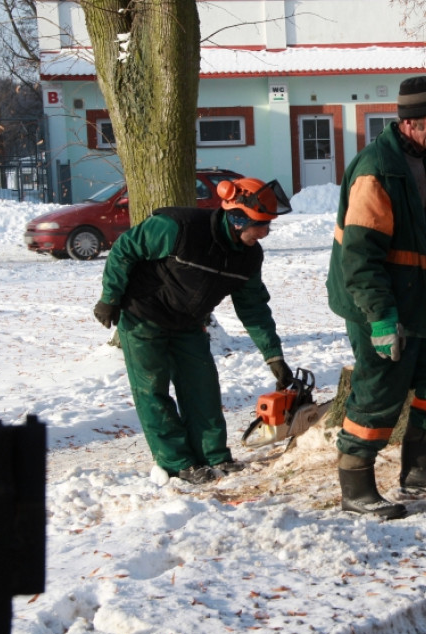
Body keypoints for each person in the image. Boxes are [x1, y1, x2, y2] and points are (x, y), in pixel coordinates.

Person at [326, 76, 426, 519]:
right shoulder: (376, 170)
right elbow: (359, 256)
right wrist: (381, 318)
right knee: (378, 392)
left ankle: (420, 471)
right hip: (380, 302)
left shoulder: (424, 160)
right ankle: (355, 488)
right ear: (410, 122)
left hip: (417, 296)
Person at [93, 177, 295, 484]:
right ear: (238, 218)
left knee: (203, 389)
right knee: (153, 391)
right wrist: (110, 298)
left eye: (268, 225)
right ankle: (177, 462)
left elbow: (253, 307)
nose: (265, 233)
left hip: (188, 323)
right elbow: (124, 249)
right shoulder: (179, 228)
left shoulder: (248, 256)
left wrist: (273, 356)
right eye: (260, 225)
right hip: (142, 315)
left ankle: (213, 455)